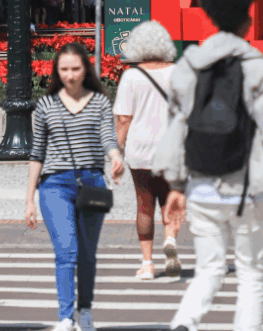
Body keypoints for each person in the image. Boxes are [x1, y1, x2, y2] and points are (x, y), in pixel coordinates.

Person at [153, 0, 263, 331]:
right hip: (248, 187)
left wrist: (175, 183)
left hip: (201, 184)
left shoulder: (189, 65)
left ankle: (184, 323)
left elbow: (177, 125)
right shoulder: (261, 68)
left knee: (209, 269)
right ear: (247, 23)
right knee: (250, 274)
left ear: (210, 18)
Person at [25, 42, 124, 331]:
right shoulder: (46, 104)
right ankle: (66, 318)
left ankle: (86, 311)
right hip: (54, 184)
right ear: (56, 71)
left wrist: (115, 157)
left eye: (76, 69)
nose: (70, 75)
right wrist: (29, 198)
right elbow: (37, 153)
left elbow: (108, 136)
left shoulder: (100, 102)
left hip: (92, 181)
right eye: (64, 69)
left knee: (87, 254)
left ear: (86, 70)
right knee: (66, 252)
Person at [114, 21, 183, 280]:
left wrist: (116, 152)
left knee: (144, 205)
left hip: (140, 149)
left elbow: (123, 120)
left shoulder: (131, 76)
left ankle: (147, 264)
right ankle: (171, 242)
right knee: (170, 201)